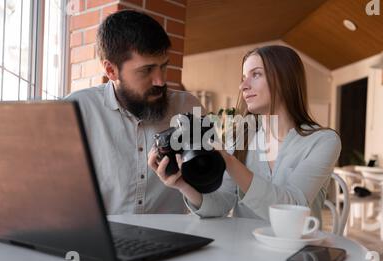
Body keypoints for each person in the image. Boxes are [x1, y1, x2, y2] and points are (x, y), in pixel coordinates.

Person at [148, 45, 341, 222]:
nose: (243, 86)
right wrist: (183, 185)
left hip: (297, 254)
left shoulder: (323, 141)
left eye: (256, 74)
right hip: (244, 252)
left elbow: (292, 208)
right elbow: (221, 204)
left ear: (285, 79)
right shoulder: (240, 137)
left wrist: (226, 158)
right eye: (243, 78)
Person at [65, 10, 203, 214]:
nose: (160, 81)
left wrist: (187, 186)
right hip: (100, 243)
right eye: (146, 70)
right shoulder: (76, 110)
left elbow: (218, 200)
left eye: (163, 67)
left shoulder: (189, 108)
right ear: (111, 71)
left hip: (174, 240)